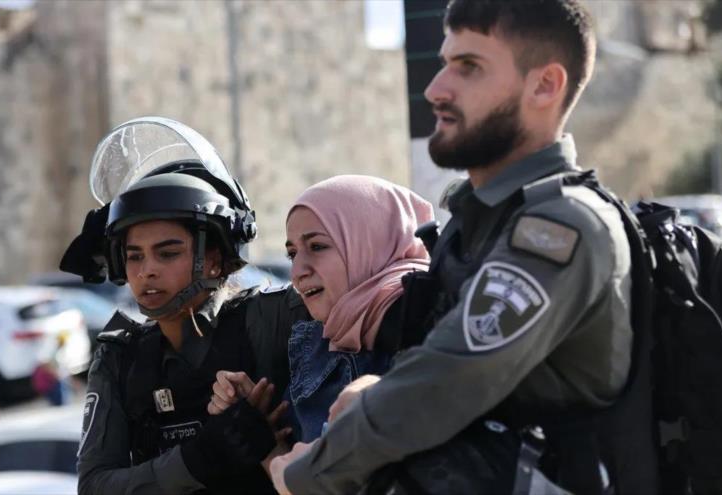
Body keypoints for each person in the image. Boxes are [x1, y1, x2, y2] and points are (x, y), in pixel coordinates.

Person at [268, 1, 633, 493]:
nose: (437, 89)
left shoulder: (558, 228)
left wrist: (301, 476)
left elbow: (445, 383)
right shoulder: (478, 222)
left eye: (470, 67)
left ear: (544, 85)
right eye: (444, 63)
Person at [64, 117, 307, 495]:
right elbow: (95, 486)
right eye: (135, 256)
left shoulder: (272, 318)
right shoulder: (119, 359)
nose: (147, 272)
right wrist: (201, 458)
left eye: (168, 253)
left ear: (213, 258)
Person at [208, 175, 434, 443]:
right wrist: (252, 424)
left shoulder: (433, 323)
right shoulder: (319, 341)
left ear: (369, 242)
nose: (297, 273)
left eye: (317, 246)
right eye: (292, 254)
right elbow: (301, 479)